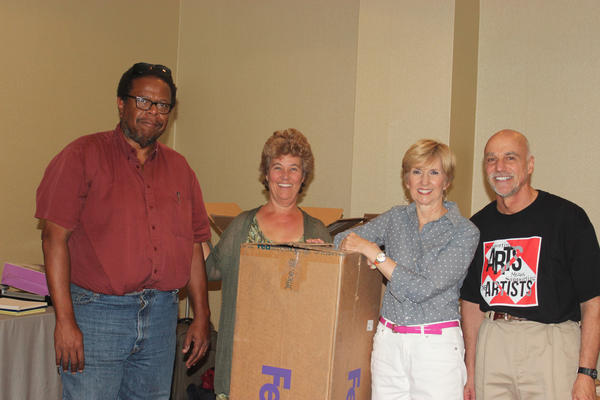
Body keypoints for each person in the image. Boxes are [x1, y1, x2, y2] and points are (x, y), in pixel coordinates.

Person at [36, 62, 212, 399]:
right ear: (121, 103)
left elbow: (192, 245)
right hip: (98, 314)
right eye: (143, 101)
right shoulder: (81, 156)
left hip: (162, 314)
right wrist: (65, 321)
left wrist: (202, 316)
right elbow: (53, 239)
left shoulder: (181, 169)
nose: (153, 112)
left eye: (162, 105)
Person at [460, 129, 600, 400]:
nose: (499, 167)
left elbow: (593, 301)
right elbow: (471, 303)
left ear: (530, 165)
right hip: (493, 343)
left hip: (552, 346)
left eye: (510, 157)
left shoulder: (568, 218)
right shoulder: (476, 227)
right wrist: (471, 370)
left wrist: (587, 372)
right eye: (491, 159)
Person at [335, 139, 479, 400]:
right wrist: (364, 249)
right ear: (406, 179)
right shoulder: (395, 218)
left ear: (446, 182)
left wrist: (375, 254)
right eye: (416, 172)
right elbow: (342, 239)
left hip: (435, 347)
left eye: (434, 173)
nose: (424, 181)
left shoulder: (464, 231)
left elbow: (423, 288)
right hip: (388, 341)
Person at [203, 129, 332, 399]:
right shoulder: (242, 225)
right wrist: (194, 232)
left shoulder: (317, 231)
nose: (285, 177)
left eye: (293, 169)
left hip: (295, 359)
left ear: (303, 177)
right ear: (266, 174)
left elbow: (328, 304)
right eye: (277, 168)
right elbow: (210, 270)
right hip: (245, 355)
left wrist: (326, 265)